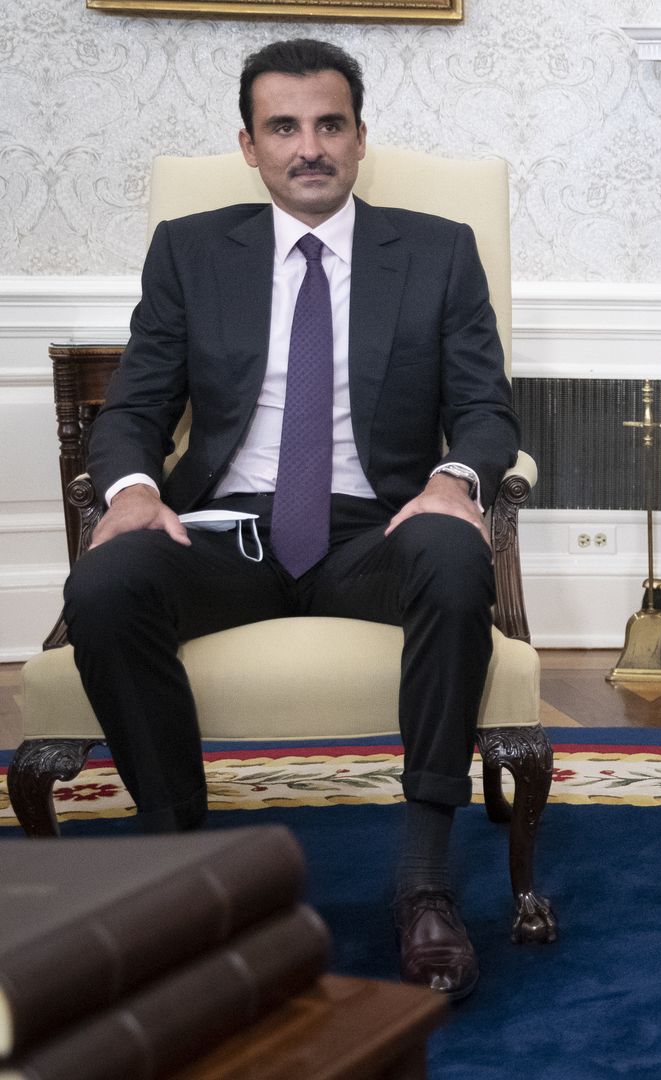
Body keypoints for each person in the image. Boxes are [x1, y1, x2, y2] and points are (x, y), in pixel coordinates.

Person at [65, 38, 518, 1001]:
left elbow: (484, 407)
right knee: (105, 582)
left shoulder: (437, 251)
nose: (308, 147)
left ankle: (425, 880)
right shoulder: (192, 251)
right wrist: (135, 491)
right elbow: (138, 408)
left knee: (451, 550)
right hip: (223, 533)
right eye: (284, 127)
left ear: (359, 139)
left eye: (328, 125)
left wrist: (451, 480)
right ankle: (180, 869)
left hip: (375, 531)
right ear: (250, 144)